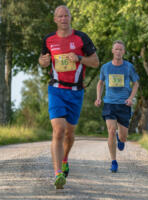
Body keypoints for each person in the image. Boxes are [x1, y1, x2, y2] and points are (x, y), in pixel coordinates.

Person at [38, 5, 99, 189]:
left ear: (70, 17)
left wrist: (79, 58)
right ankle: (57, 174)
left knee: (70, 133)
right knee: (59, 130)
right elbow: (42, 60)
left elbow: (96, 62)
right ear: (55, 19)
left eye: (66, 15)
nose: (63, 18)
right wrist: (43, 61)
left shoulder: (81, 38)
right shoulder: (48, 39)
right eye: (60, 16)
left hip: (76, 91)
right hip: (56, 89)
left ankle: (64, 159)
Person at [94, 40, 139, 173]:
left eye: (121, 49)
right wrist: (98, 98)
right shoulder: (106, 67)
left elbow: (136, 83)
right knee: (111, 131)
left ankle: (121, 138)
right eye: (116, 49)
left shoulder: (129, 67)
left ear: (123, 52)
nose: (118, 52)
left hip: (124, 104)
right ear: (113, 51)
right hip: (109, 103)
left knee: (123, 137)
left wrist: (131, 98)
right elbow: (100, 83)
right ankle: (113, 161)